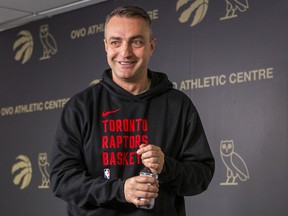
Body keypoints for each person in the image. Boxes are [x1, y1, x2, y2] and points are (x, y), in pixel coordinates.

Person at [50, 5, 215, 216]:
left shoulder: (178, 105)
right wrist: (120, 190)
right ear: (106, 47)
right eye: (115, 42)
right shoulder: (80, 106)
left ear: (151, 46)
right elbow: (62, 180)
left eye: (136, 42)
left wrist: (166, 167)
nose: (125, 52)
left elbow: (202, 175)